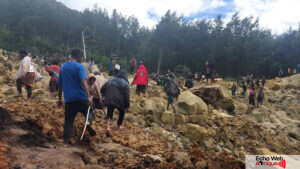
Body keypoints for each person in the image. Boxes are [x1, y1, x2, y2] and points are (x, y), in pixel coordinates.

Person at [57, 49, 95, 145]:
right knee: (90, 110)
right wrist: (89, 97)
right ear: (78, 56)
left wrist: (60, 99)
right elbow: (83, 81)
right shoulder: (79, 67)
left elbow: (60, 85)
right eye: (81, 57)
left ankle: (66, 141)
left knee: (68, 121)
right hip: (81, 98)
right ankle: (88, 123)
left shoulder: (63, 67)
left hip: (69, 100)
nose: (81, 59)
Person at [101, 70, 130, 137]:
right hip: (120, 101)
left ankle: (108, 127)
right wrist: (127, 106)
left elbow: (102, 89)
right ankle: (119, 125)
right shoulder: (125, 83)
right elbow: (127, 96)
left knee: (110, 112)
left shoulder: (111, 80)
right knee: (122, 112)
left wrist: (105, 97)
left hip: (109, 99)